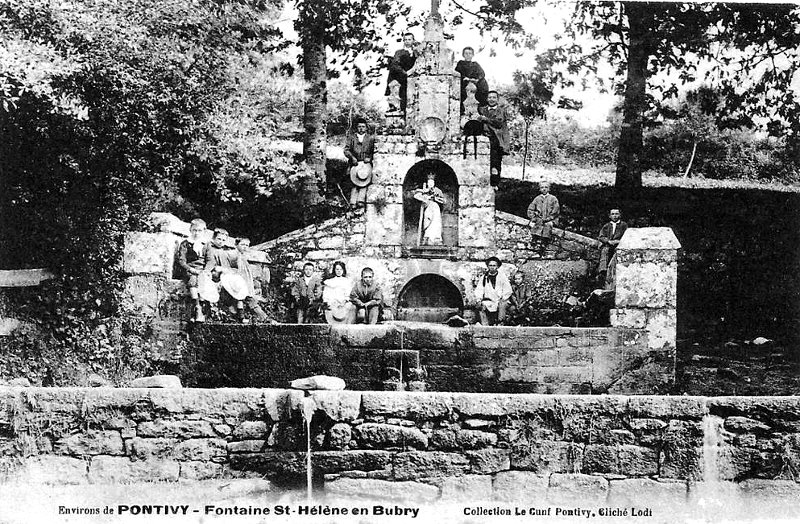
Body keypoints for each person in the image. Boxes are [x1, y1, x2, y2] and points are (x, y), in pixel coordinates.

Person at [176, 218, 208, 322]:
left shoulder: (206, 244)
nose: (197, 233)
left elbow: (210, 260)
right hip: (190, 269)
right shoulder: (185, 243)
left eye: (199, 231)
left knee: (204, 280)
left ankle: (200, 310)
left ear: (204, 231)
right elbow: (182, 261)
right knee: (193, 280)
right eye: (194, 230)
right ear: (190, 230)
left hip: (202, 270)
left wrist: (206, 270)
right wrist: (191, 269)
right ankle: (198, 308)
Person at [477, 91, 510, 188]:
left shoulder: (501, 111)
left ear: (497, 99)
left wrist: (485, 119)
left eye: (494, 97)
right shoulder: (482, 110)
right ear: (487, 99)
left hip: (496, 139)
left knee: (495, 161)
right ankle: (483, 182)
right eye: (490, 97)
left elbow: (498, 123)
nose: (491, 99)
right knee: (483, 160)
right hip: (484, 137)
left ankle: (494, 183)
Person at [234, 238, 269, 323]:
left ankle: (264, 318)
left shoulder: (244, 257)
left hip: (246, 283)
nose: (245, 247)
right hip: (238, 282)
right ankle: (241, 318)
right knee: (241, 299)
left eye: (247, 245)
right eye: (242, 244)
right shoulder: (235, 256)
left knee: (250, 300)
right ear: (236, 245)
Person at [344, 118, 375, 207]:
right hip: (355, 164)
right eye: (359, 127)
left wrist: (370, 158)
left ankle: (361, 201)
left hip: (366, 164)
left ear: (366, 128)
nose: (361, 129)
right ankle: (352, 202)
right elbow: (346, 150)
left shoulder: (370, 138)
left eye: (363, 127)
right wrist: (352, 157)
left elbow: (375, 151)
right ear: (356, 128)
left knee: (364, 180)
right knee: (354, 182)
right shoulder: (352, 137)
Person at [385, 32, 419, 112]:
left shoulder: (416, 53)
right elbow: (395, 65)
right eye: (405, 40)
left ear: (413, 41)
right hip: (398, 78)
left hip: (410, 80)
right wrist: (405, 73)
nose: (407, 41)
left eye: (409, 39)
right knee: (398, 101)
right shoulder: (399, 52)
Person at [474, 256, 512, 326]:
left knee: (502, 305)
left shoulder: (502, 277)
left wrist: (503, 298)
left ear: (497, 266)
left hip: (501, 299)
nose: (492, 267)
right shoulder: (484, 278)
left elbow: (508, 290)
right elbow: (479, 290)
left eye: (494, 265)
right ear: (488, 266)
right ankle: (485, 325)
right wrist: (478, 300)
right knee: (481, 306)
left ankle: (500, 323)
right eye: (490, 265)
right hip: (489, 300)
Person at [527, 181, 560, 254]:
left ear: (549, 189)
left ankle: (544, 242)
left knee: (548, 225)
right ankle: (534, 238)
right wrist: (533, 217)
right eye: (542, 187)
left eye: (546, 187)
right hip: (539, 218)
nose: (544, 189)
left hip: (550, 218)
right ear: (539, 189)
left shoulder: (553, 198)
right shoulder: (537, 199)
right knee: (536, 223)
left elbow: (556, 211)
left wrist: (549, 218)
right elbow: (530, 209)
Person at [414, 172, 445, 246]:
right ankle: (427, 238)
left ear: (434, 183)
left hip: (435, 208)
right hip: (428, 207)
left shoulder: (437, 191)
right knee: (428, 221)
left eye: (432, 182)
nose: (431, 184)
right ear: (427, 183)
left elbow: (444, 201)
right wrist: (425, 197)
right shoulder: (424, 190)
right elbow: (416, 196)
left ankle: (436, 239)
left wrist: (435, 198)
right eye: (429, 182)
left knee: (436, 222)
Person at [455, 46, 489, 110]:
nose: (468, 55)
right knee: (460, 88)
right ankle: (461, 106)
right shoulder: (461, 63)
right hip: (463, 81)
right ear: (463, 55)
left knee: (483, 82)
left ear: (472, 55)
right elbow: (458, 73)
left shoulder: (475, 64)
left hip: (474, 81)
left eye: (470, 53)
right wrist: (465, 78)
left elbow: (482, 73)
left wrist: (476, 79)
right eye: (466, 53)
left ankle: (482, 104)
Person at [598, 208, 628, 280]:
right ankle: (603, 271)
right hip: (608, 245)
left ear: (620, 215)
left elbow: (627, 235)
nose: (615, 216)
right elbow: (601, 236)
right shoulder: (607, 226)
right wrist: (608, 241)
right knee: (605, 251)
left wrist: (618, 241)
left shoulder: (624, 225)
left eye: (616, 214)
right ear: (610, 216)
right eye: (613, 214)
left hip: (619, 245)